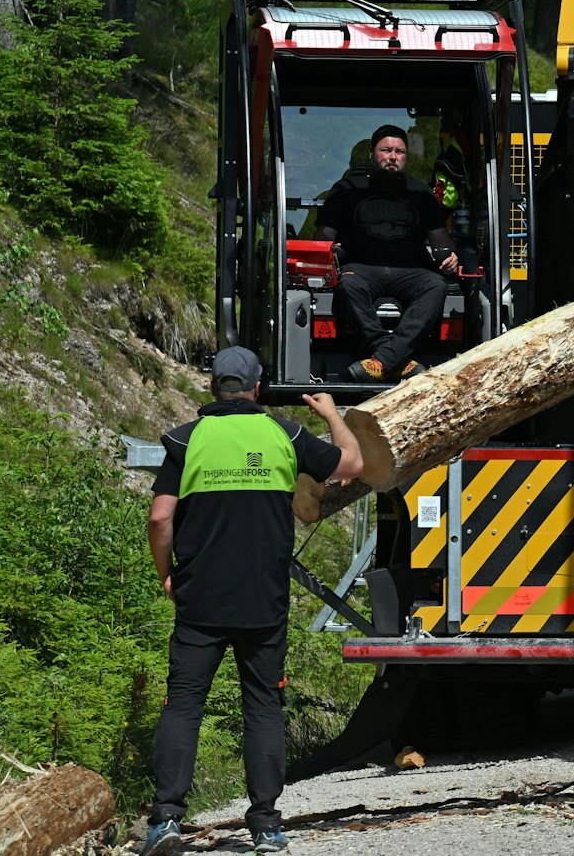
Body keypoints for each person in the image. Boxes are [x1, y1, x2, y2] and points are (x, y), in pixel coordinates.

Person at [143, 347, 363, 856]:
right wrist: (330, 413)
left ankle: (167, 821)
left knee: (183, 705)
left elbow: (159, 518)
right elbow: (351, 462)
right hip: (264, 602)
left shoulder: (186, 439)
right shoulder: (283, 434)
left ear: (213, 387)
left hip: (200, 601)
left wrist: (167, 576)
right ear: (257, 387)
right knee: (263, 707)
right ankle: (266, 826)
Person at [316, 124, 461, 382]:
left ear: (406, 157)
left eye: (399, 151)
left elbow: (441, 240)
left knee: (436, 285)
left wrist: (450, 255)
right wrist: (328, 250)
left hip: (412, 270)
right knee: (347, 285)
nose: (393, 156)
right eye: (386, 150)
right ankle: (397, 359)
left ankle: (380, 361)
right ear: (373, 155)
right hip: (361, 268)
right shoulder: (347, 190)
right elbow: (323, 237)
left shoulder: (421, 193)